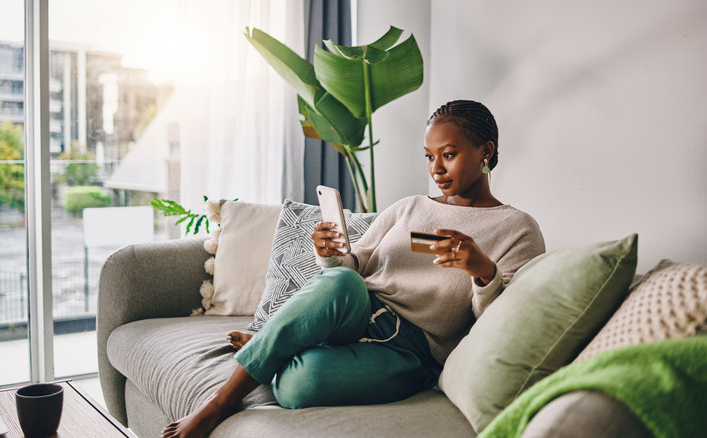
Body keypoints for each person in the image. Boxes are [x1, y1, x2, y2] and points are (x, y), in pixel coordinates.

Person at [162, 100, 546, 438]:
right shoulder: (410, 206)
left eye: (448, 154)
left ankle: (275, 345)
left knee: (298, 387)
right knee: (343, 279)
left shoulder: (517, 228)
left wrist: (483, 272)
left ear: (486, 151)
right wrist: (330, 252)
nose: (436, 169)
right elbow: (355, 262)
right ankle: (219, 403)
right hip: (356, 306)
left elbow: (500, 325)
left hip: (412, 352)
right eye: (429, 156)